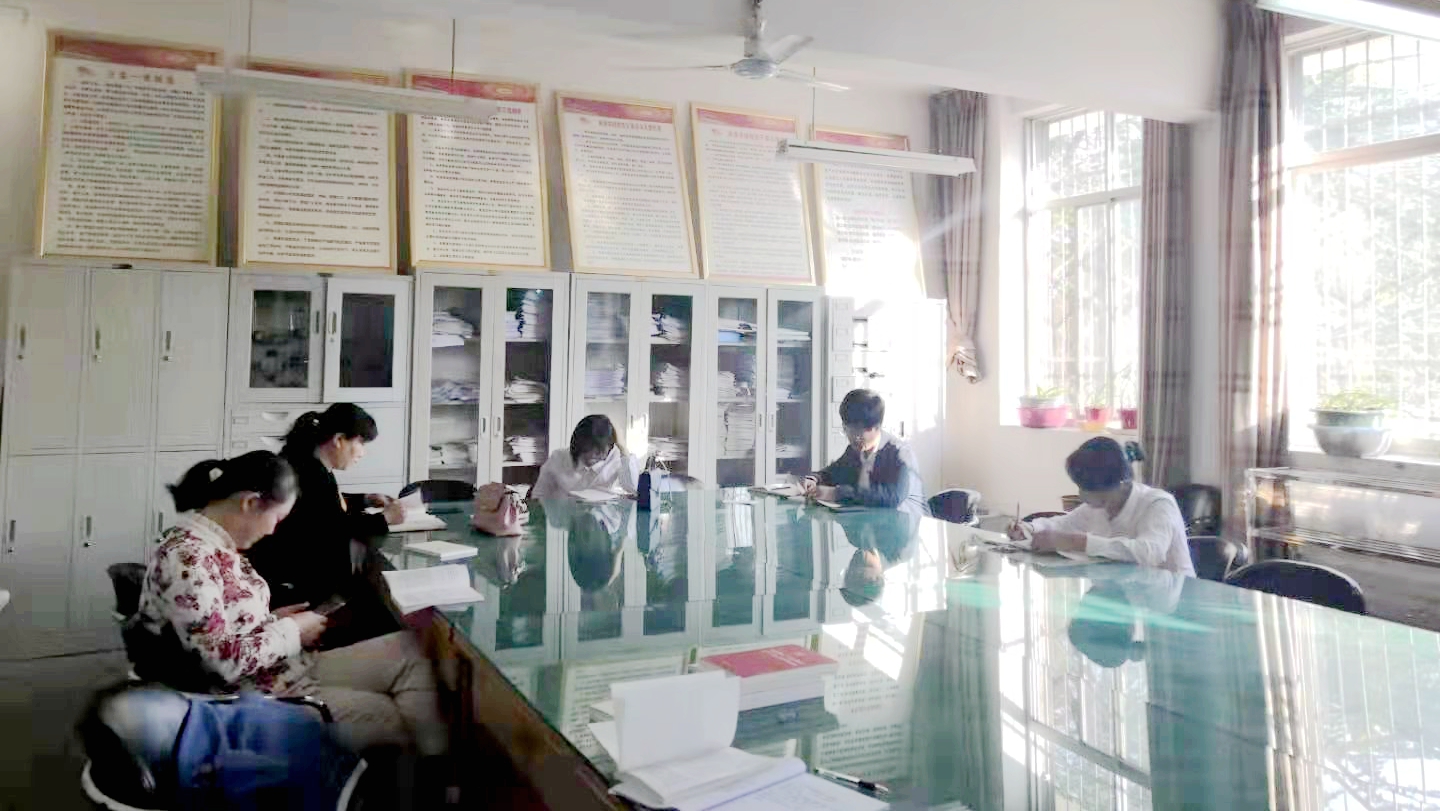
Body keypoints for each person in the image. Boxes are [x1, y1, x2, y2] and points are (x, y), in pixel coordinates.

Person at [135, 452, 446, 756]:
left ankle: (422, 764)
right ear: (250, 503)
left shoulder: (214, 546)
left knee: (408, 649)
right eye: (276, 519)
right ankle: (419, 771)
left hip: (281, 668)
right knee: (393, 717)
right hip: (254, 697)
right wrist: (291, 631)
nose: (272, 530)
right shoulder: (188, 560)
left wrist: (272, 621)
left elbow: (221, 624)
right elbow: (221, 661)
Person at [246, 404, 404, 612]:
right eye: (360, 442)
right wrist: (384, 519)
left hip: (286, 571)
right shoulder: (311, 475)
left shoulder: (308, 463)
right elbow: (336, 528)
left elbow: (324, 507)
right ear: (339, 440)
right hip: (296, 582)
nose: (362, 453)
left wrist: (364, 500)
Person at [1009, 437, 1196, 575]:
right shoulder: (1099, 506)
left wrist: (1078, 542)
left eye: (1089, 489)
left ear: (1119, 484)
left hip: (1175, 604)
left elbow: (1149, 553)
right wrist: (1029, 529)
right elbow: (1063, 524)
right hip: (1124, 597)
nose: (1082, 496)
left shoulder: (1158, 504)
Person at [801, 389, 927, 516]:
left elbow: (893, 497)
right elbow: (833, 472)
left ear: (877, 427)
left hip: (905, 521)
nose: (854, 438)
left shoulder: (900, 454)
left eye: (859, 432)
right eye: (848, 430)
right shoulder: (855, 450)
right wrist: (814, 479)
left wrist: (837, 493)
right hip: (870, 521)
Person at [530, 415, 641, 500]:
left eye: (598, 453)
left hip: (601, 519)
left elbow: (633, 488)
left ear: (610, 448)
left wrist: (622, 447)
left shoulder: (616, 458)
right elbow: (538, 496)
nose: (592, 456)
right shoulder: (558, 458)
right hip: (565, 517)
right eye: (586, 450)